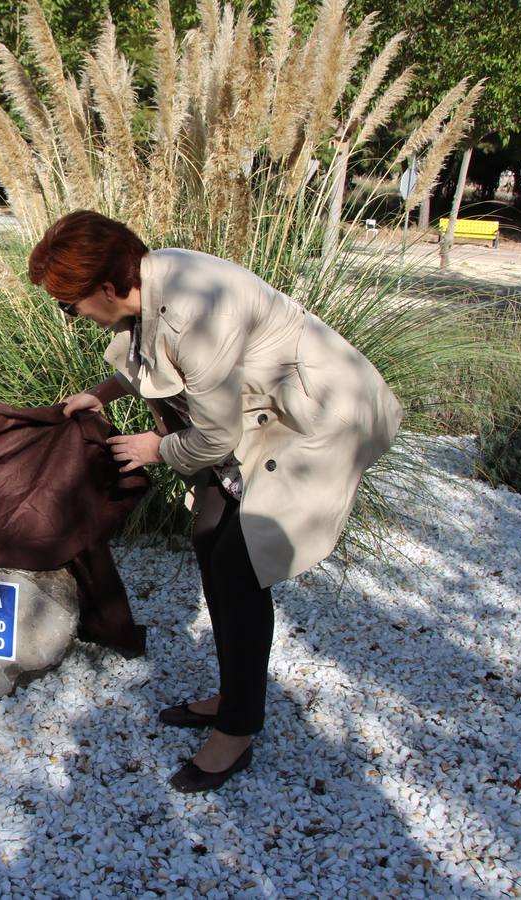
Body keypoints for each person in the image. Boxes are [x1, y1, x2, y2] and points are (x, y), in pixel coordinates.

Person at [28, 211, 402, 791]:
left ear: (106, 287)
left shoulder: (193, 312)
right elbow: (153, 353)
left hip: (321, 417)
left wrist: (155, 447)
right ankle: (235, 695)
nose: (71, 318)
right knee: (210, 537)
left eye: (69, 305)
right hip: (266, 414)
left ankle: (238, 730)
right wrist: (101, 393)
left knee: (239, 563)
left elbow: (215, 437)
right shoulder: (150, 282)